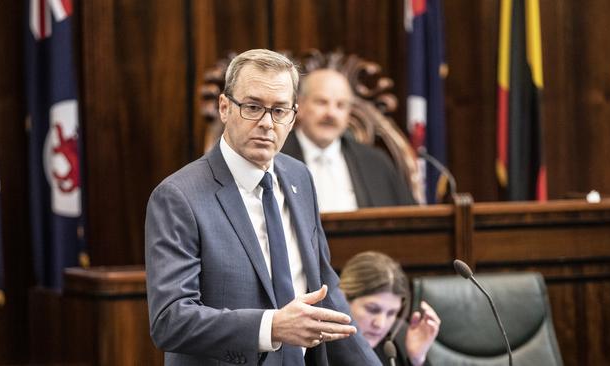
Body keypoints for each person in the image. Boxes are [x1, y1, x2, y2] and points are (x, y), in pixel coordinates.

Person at [145, 49, 381, 366]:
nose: (267, 123)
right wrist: (271, 326)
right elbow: (170, 320)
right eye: (253, 107)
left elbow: (327, 289)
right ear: (225, 108)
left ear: (293, 117)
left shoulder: (299, 177)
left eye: (280, 110)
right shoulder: (178, 197)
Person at [280, 68, 416, 212]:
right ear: (300, 106)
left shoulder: (375, 162)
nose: (331, 113)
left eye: (340, 105)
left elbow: (410, 222)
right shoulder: (274, 158)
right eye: (321, 102)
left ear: (349, 114)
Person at [339, 251, 441, 366]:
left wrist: (417, 360)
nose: (380, 324)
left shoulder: (398, 340)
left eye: (391, 313)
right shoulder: (321, 346)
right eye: (372, 310)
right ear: (342, 299)